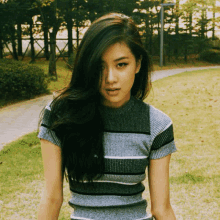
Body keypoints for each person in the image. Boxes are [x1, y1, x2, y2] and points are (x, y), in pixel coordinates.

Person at [37, 12, 177, 220]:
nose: (110, 78)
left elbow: (162, 209)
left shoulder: (157, 125)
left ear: (138, 64)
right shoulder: (60, 115)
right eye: (99, 67)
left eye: (121, 64)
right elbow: (51, 198)